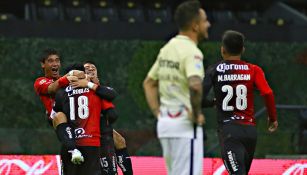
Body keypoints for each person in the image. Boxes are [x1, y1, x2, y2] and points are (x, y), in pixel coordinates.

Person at [143, 1, 211, 175]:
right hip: (185, 126)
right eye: (205, 21)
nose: (208, 24)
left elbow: (149, 83)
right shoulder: (192, 52)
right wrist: (196, 115)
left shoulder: (167, 48)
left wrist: (158, 113)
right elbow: (195, 86)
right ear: (195, 26)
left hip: (166, 123)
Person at [202, 30, 278, 175]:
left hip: (229, 132)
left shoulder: (215, 69)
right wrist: (273, 118)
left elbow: (198, 99)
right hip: (250, 133)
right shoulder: (254, 70)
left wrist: (212, 103)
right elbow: (267, 93)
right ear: (243, 49)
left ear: (222, 50)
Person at [34, 49, 117, 164]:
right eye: (50, 61)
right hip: (63, 118)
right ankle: (74, 151)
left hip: (83, 117)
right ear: (43, 64)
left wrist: (91, 81)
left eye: (57, 60)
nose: (55, 64)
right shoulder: (41, 81)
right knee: (59, 115)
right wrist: (70, 76)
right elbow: (52, 88)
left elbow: (87, 84)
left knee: (118, 140)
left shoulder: (69, 78)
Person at [51, 63, 116, 175]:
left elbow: (54, 117)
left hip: (70, 145)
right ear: (83, 74)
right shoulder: (96, 91)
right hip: (92, 142)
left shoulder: (61, 93)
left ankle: (72, 148)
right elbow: (113, 114)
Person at [83, 61, 133, 175]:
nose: (91, 68)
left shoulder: (101, 90)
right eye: (87, 67)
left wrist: (95, 85)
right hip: (84, 128)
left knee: (119, 141)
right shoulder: (77, 88)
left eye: (93, 67)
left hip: (101, 126)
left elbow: (112, 96)